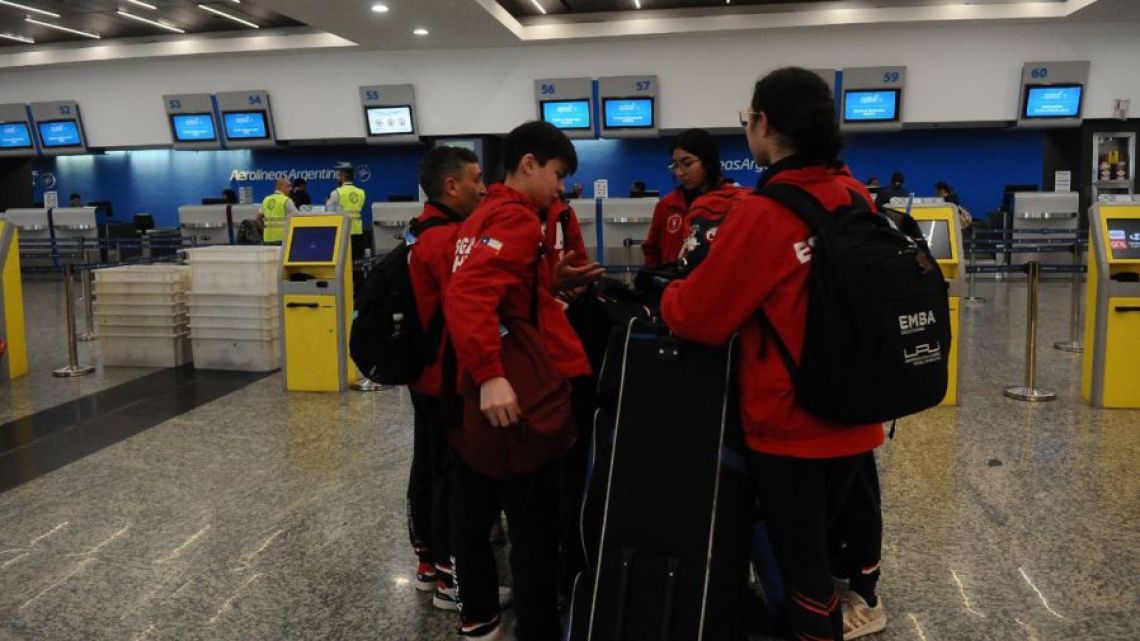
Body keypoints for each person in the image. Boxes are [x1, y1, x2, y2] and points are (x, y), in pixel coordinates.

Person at [659, 67, 886, 641]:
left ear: (762, 124)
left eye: (748, 120)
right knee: (818, 554)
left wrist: (670, 293)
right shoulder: (854, 194)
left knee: (802, 568)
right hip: (856, 414)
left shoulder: (764, 213)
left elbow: (701, 318)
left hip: (792, 423)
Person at [444, 121, 589, 641]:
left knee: (476, 514)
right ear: (529, 164)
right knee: (534, 525)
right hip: (519, 395)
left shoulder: (480, 217)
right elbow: (468, 296)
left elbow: (495, 288)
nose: (561, 187)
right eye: (557, 174)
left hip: (481, 398)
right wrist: (491, 376)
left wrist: (553, 280)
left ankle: (479, 619)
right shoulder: (517, 219)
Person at [404, 146, 489, 611]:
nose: (483, 186)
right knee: (449, 477)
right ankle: (449, 579)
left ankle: (428, 564)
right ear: (451, 185)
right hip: (445, 377)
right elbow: (467, 312)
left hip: (425, 375)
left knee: (428, 468)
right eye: (476, 178)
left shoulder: (419, 230)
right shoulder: (446, 241)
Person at [642, 128, 726, 266]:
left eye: (687, 164)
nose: (680, 172)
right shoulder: (666, 206)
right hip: (673, 284)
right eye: (675, 165)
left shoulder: (731, 202)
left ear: (708, 161)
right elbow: (652, 251)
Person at [326, 167, 368, 259]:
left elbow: (329, 211)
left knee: (343, 260)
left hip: (343, 231)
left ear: (342, 177)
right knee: (357, 260)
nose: (338, 179)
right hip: (358, 231)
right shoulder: (361, 192)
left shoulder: (336, 192)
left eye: (339, 176)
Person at [259, 177, 299, 244]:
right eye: (288, 186)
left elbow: (259, 218)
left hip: (267, 239)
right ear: (282, 187)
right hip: (283, 238)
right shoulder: (286, 201)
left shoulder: (266, 199)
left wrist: (264, 229)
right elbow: (296, 218)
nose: (290, 189)